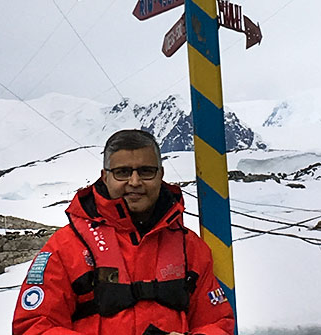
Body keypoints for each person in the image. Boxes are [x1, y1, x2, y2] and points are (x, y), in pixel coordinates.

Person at [12, 129, 235, 335]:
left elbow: (218, 323)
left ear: (161, 174)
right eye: (122, 172)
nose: (135, 181)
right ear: (105, 176)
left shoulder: (190, 248)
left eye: (146, 171)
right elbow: (33, 326)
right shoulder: (66, 248)